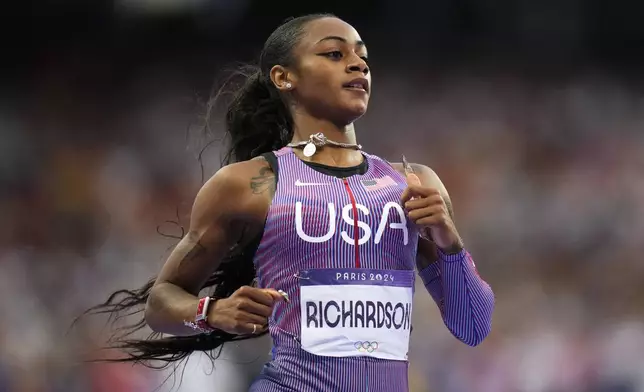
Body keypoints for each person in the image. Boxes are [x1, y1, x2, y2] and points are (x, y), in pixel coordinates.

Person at [85, 13, 495, 392]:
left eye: (363, 57)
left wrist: (450, 242)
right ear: (284, 77)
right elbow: (161, 302)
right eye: (335, 54)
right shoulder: (248, 184)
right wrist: (210, 312)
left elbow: (473, 325)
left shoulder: (412, 183)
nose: (359, 65)